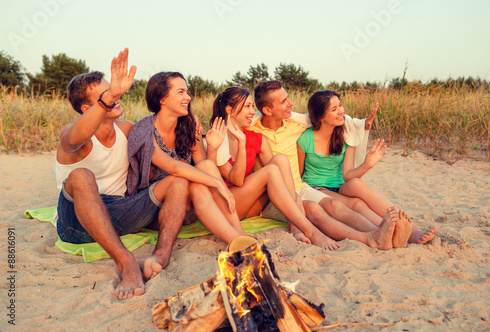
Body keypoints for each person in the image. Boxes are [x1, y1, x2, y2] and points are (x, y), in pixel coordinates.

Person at [55, 48, 191, 301]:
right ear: (87, 108)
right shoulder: (70, 136)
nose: (115, 97)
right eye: (105, 95)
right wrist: (111, 96)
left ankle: (161, 254)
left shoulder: (128, 129)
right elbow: (74, 138)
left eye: (114, 91)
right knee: (81, 175)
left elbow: (165, 149)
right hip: (76, 222)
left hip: (120, 212)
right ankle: (126, 262)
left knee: (178, 182)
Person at [249, 80, 413, 249]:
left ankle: (383, 232)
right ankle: (368, 237)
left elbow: (332, 119)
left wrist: (363, 124)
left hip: (300, 187)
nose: (290, 103)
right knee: (315, 208)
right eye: (283, 101)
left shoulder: (296, 126)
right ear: (267, 110)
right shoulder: (252, 131)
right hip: (275, 194)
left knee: (334, 205)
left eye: (287, 98)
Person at [206, 86, 339, 250]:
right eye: (247, 107)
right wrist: (241, 143)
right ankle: (310, 231)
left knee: (281, 160)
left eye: (252, 107)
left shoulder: (255, 138)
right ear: (230, 111)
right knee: (271, 171)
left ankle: (296, 225)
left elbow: (279, 173)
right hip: (231, 206)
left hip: (254, 204)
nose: (252, 112)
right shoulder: (219, 138)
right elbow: (237, 180)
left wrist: (296, 199)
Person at [126, 71, 246, 252]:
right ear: (162, 98)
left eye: (187, 92)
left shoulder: (189, 126)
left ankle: (239, 236)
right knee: (184, 180)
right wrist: (218, 184)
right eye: (181, 92)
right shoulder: (143, 131)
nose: (188, 97)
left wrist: (212, 147)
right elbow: (174, 167)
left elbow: (205, 166)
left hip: (188, 205)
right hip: (155, 211)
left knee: (203, 170)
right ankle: (237, 240)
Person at [298, 90, 437, 244]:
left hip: (341, 185)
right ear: (320, 117)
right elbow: (297, 176)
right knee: (357, 204)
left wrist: (367, 165)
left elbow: (348, 176)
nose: (341, 111)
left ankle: (413, 229)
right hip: (318, 188)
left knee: (356, 184)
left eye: (340, 106)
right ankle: (385, 232)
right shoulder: (305, 139)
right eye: (334, 109)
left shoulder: (347, 135)